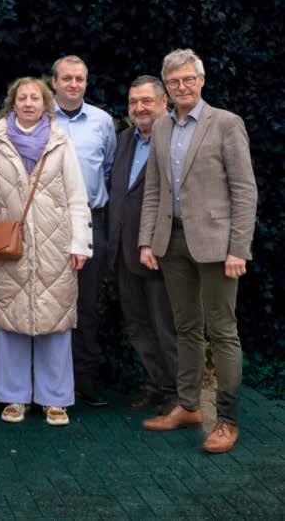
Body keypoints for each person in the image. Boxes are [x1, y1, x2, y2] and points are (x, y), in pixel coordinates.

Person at [139, 49, 257, 453]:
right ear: (166, 87)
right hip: (171, 242)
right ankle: (188, 406)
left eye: (189, 79)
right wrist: (147, 241)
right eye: (174, 81)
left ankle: (226, 420)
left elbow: (244, 190)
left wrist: (238, 248)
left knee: (223, 332)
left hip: (217, 246)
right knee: (186, 327)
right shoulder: (161, 127)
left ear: (201, 80)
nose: (182, 86)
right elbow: (154, 189)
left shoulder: (225, 123)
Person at [0, 77, 92, 427]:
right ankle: (14, 397)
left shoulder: (60, 140)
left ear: (45, 104)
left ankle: (55, 399)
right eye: (22, 97)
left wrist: (80, 244)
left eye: (35, 98)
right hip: (8, 246)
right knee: (10, 321)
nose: (28, 103)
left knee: (56, 321)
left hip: (56, 245)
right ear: (13, 103)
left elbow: (76, 196)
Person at [106, 76, 177, 413]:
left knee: (167, 325)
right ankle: (156, 384)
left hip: (162, 251)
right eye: (134, 102)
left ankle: (178, 392)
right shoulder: (123, 140)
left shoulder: (177, 140)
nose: (139, 108)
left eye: (147, 100)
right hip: (124, 250)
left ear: (164, 102)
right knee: (137, 324)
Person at [51, 55, 117, 406]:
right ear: (54, 82)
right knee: (49, 300)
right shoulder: (39, 118)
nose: (73, 84)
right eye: (67, 78)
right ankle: (50, 377)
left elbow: (107, 170)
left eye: (79, 78)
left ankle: (85, 377)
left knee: (87, 302)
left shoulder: (102, 121)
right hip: (47, 223)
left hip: (91, 221)